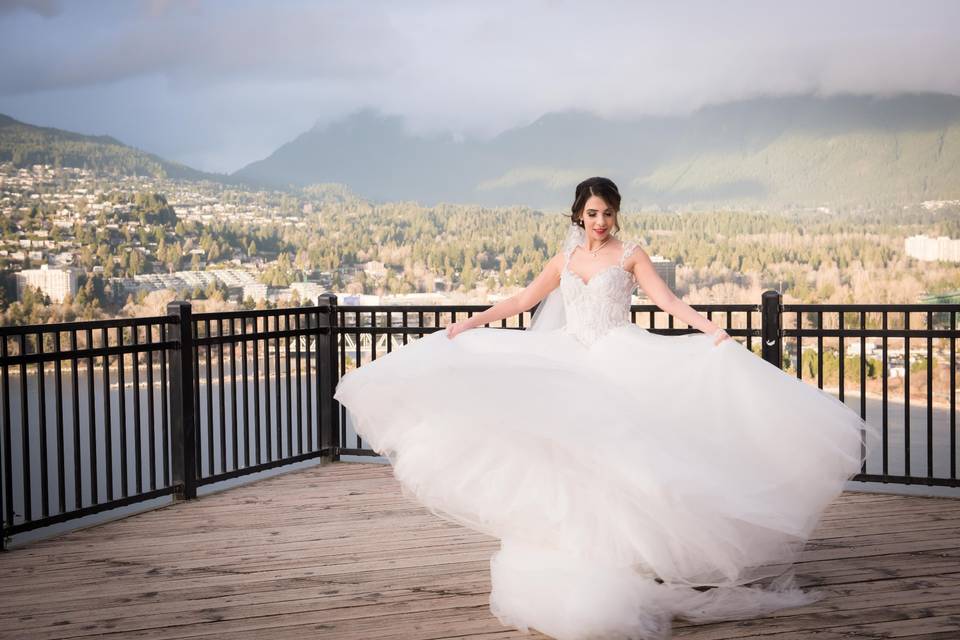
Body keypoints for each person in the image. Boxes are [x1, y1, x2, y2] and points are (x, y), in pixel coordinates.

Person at [333, 177, 880, 640]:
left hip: (621, 357)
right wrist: (466, 324)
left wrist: (711, 328)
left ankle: (632, 557)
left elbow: (666, 301)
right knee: (569, 460)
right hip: (569, 362)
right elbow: (524, 302)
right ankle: (584, 553)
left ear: (617, 216)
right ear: (578, 213)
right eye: (593, 213)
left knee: (630, 461)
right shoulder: (565, 259)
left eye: (609, 213)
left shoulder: (631, 254)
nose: (601, 221)